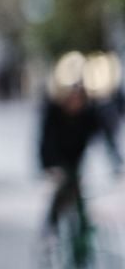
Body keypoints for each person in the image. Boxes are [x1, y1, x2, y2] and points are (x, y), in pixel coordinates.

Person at [39, 81, 122, 256]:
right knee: (61, 193)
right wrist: (50, 167)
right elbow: (46, 143)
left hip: (78, 157)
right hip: (59, 157)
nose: (75, 104)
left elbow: (107, 139)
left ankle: (84, 236)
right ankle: (50, 232)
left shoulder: (89, 114)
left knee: (82, 197)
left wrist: (116, 163)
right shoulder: (54, 114)